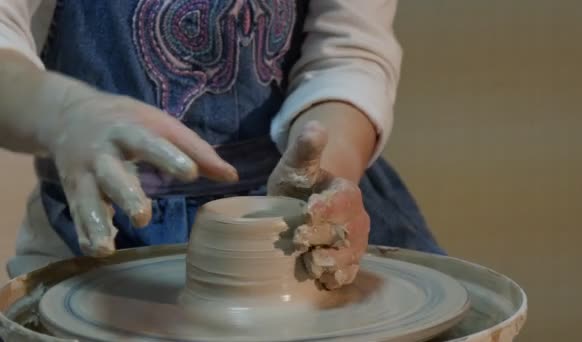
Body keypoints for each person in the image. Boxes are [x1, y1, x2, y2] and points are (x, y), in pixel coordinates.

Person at [0, 0, 443, 289]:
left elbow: (348, 52)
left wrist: (328, 170)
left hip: (290, 205)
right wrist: (66, 116)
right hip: (107, 210)